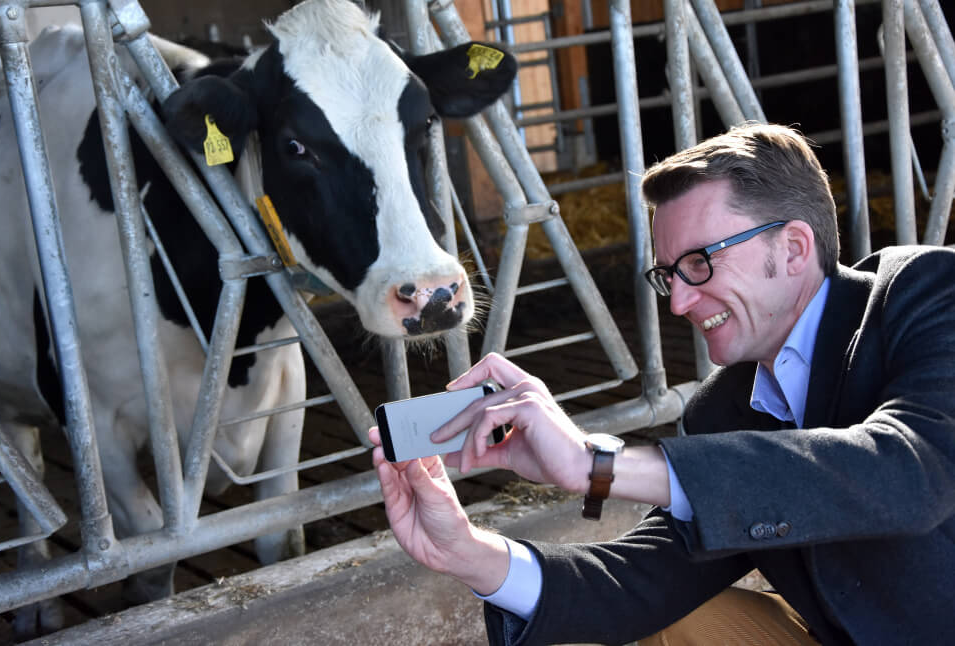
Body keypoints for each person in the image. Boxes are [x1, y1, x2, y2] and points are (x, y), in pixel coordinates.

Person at [369, 123, 955, 645]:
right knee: (672, 622)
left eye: (700, 263)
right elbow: (636, 583)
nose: (678, 301)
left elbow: (910, 471)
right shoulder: (723, 409)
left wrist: (597, 464)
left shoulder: (927, 294)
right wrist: (469, 553)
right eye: (668, 274)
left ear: (795, 247)